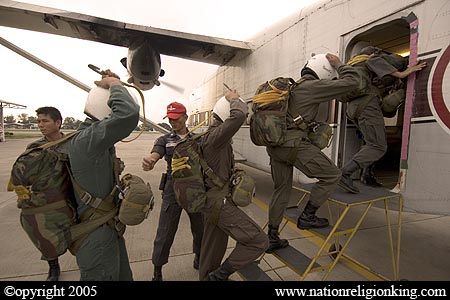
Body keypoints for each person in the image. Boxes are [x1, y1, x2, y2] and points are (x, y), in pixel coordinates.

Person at [265, 53, 364, 253]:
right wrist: (339, 65)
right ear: (325, 72)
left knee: (281, 190)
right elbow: (354, 82)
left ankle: (272, 237)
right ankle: (308, 216)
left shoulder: (294, 87)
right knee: (332, 175)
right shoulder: (313, 86)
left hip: (276, 147)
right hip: (294, 146)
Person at [68, 70, 139, 280]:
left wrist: (113, 86)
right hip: (96, 237)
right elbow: (127, 115)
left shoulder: (91, 138)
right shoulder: (87, 141)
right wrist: (116, 84)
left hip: (107, 230)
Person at [199, 90, 269, 281]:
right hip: (218, 203)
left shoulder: (215, 138)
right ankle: (219, 276)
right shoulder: (216, 137)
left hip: (213, 201)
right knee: (258, 241)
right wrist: (234, 99)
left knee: (213, 249)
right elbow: (238, 116)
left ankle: (207, 277)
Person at [338, 46, 426, 192]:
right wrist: (403, 73)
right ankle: (344, 174)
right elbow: (377, 61)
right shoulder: (371, 59)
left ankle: (366, 175)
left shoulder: (353, 65)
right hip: (367, 106)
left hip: (353, 109)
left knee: (370, 143)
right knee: (377, 146)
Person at [142, 102, 204, 281]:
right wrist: (151, 160)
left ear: (185, 118)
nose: (173, 122)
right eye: (170, 119)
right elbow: (156, 153)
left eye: (176, 119)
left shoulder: (197, 138)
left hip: (194, 189)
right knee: (166, 230)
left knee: (200, 227)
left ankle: (199, 257)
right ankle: (157, 269)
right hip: (172, 188)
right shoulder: (164, 139)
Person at [26, 106, 65, 281]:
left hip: (70, 195)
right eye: (38, 121)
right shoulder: (35, 147)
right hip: (47, 199)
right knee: (43, 235)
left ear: (58, 123)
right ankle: (53, 266)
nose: (40, 125)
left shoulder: (73, 143)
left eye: (45, 121)